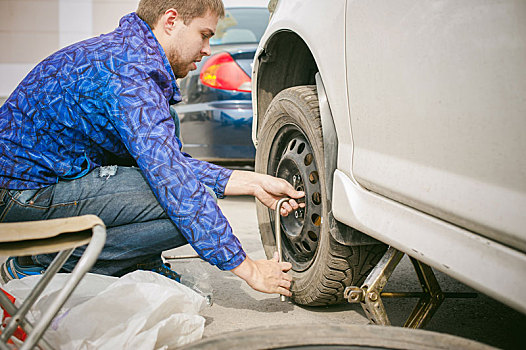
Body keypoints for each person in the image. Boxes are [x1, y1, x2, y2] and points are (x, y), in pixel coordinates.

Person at [0, 0, 304, 298]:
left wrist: (251, 182)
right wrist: (249, 269)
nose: (207, 49)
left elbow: (164, 160)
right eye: (204, 34)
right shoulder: (130, 74)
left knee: (184, 185)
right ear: (170, 21)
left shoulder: (128, 53)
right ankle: (41, 264)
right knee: (184, 206)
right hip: (20, 193)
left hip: (35, 183)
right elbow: (173, 180)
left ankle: (132, 262)